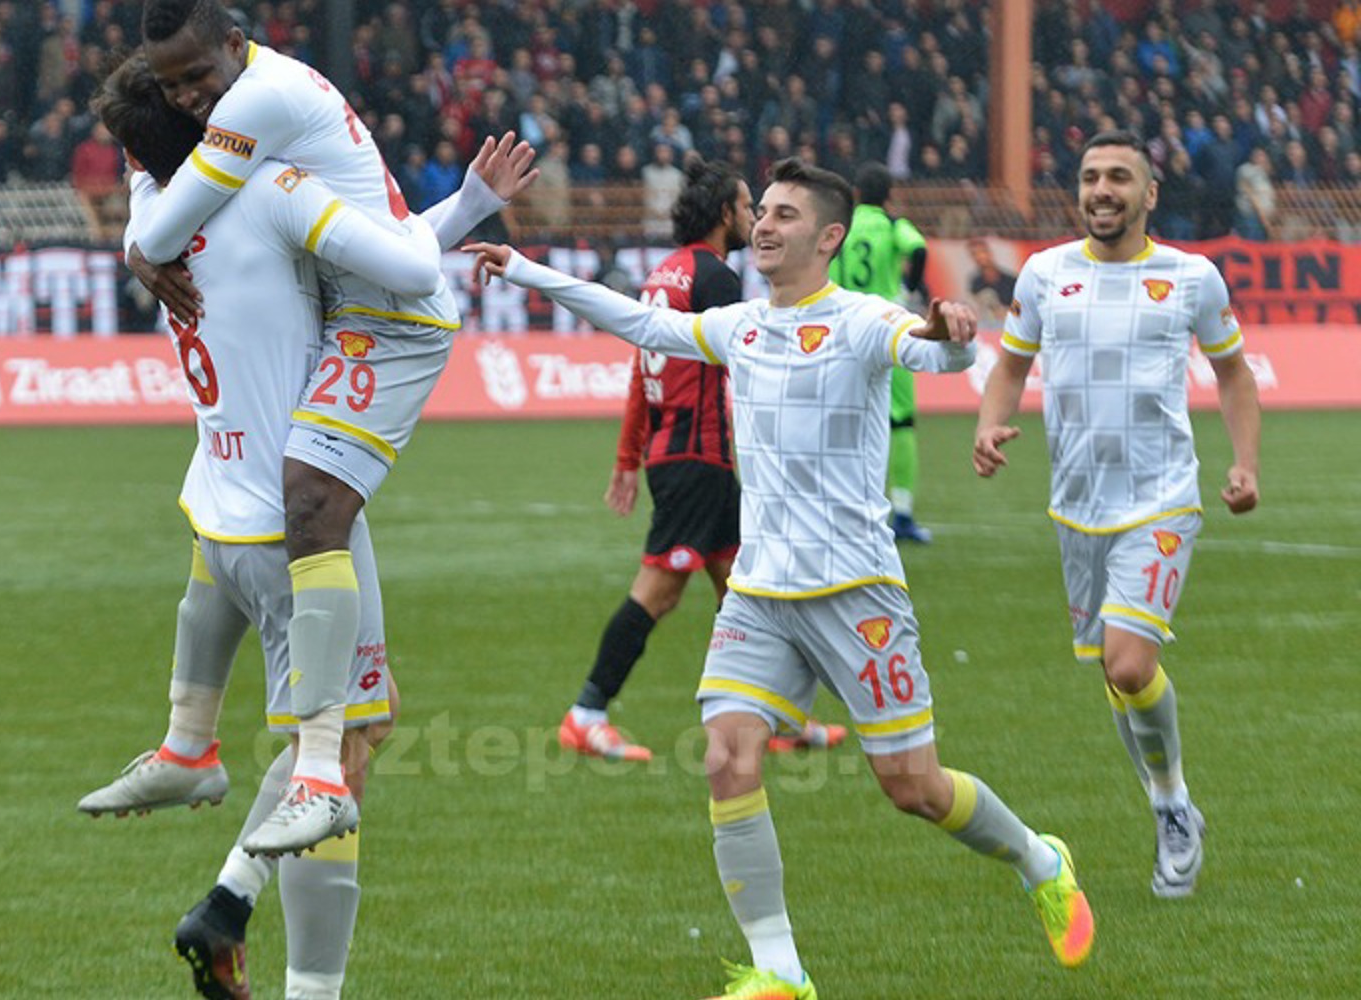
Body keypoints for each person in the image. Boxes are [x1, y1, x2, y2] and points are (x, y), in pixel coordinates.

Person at [467, 158, 1094, 997]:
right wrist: (525, 267)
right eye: (761, 211)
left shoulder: (861, 320)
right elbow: (640, 323)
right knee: (727, 758)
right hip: (760, 596)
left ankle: (1040, 860)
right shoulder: (741, 325)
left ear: (829, 237)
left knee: (913, 787)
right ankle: (780, 972)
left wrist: (951, 330)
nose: (762, 224)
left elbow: (934, 353)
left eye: (784, 215)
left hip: (856, 594)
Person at [126, 0, 532, 858]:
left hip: (392, 331)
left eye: (196, 76)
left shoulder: (256, 126)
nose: (192, 97)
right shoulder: (258, 162)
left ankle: (290, 771)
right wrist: (468, 205)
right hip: (359, 315)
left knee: (305, 502)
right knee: (290, 531)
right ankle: (211, 784)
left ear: (235, 45)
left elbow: (409, 272)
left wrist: (137, 242)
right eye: (173, 89)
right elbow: (394, 247)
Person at [973, 130, 1261, 899]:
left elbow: (1234, 373)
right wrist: (989, 424)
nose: (1103, 190)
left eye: (1120, 178)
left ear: (1149, 194)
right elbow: (1010, 365)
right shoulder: (1045, 274)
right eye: (1091, 176)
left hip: (1162, 498)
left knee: (1130, 663)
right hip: (1077, 508)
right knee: (1114, 670)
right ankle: (1172, 805)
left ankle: (1171, 808)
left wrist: (1244, 463)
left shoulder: (1191, 277)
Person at [560, 155, 844, 761]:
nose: (755, 220)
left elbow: (642, 370)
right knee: (660, 591)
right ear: (723, 214)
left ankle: (775, 717)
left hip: (676, 450)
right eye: (747, 208)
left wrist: (628, 456)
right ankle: (586, 713)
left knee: (743, 585)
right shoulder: (715, 277)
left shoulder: (665, 273)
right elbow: (751, 365)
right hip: (698, 456)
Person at [828, 162, 932, 542]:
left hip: (846, 329)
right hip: (888, 328)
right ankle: (901, 514)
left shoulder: (841, 227)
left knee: (844, 422)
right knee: (900, 422)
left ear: (855, 195)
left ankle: (845, 511)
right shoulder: (891, 225)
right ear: (889, 196)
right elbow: (918, 249)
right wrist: (907, 291)